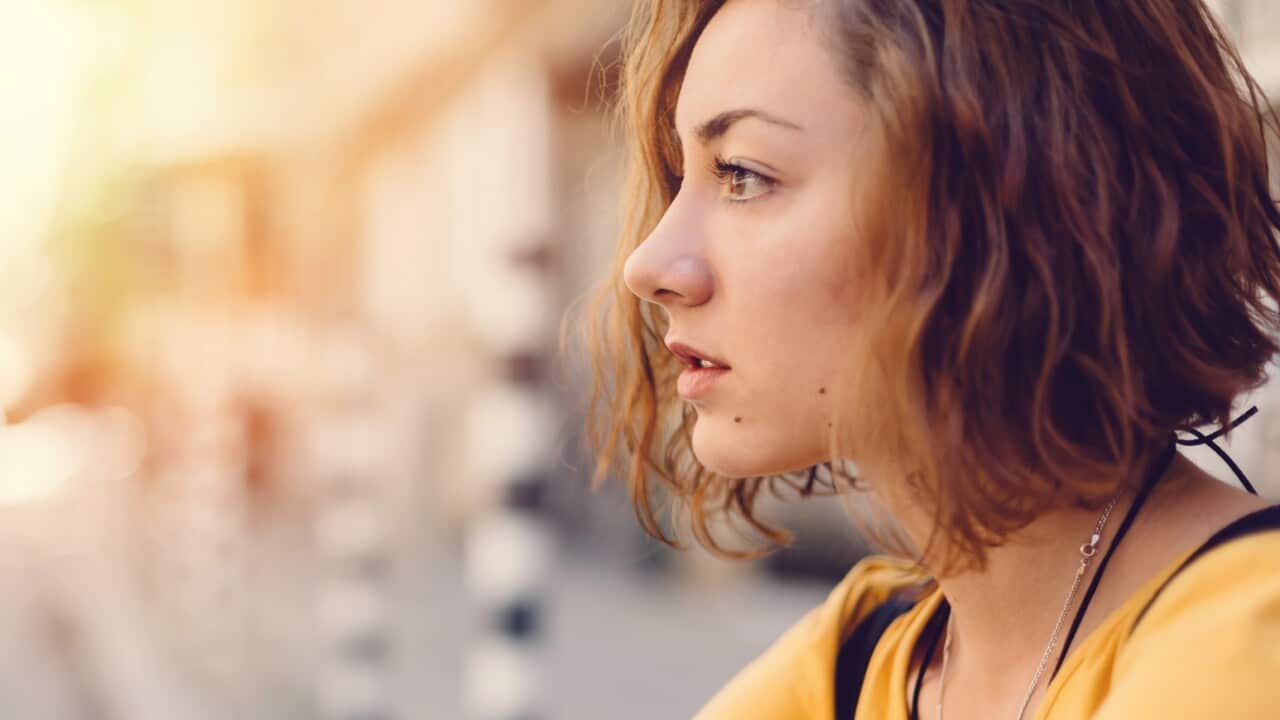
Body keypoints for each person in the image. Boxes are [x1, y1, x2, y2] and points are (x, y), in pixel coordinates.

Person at [576, 0, 1280, 717]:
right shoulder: (850, 668)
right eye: (681, 176)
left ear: (997, 201)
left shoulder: (1241, 648)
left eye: (742, 174)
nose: (648, 264)